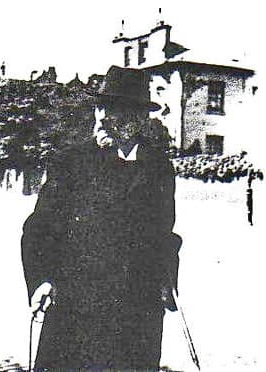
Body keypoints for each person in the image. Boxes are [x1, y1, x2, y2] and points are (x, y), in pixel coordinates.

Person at [21, 65, 182, 371]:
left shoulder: (158, 167)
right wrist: (41, 281)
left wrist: (167, 280)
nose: (104, 117)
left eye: (116, 110)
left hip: (137, 313)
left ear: (138, 119)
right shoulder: (70, 162)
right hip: (75, 308)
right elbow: (38, 228)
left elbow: (165, 234)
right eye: (101, 107)